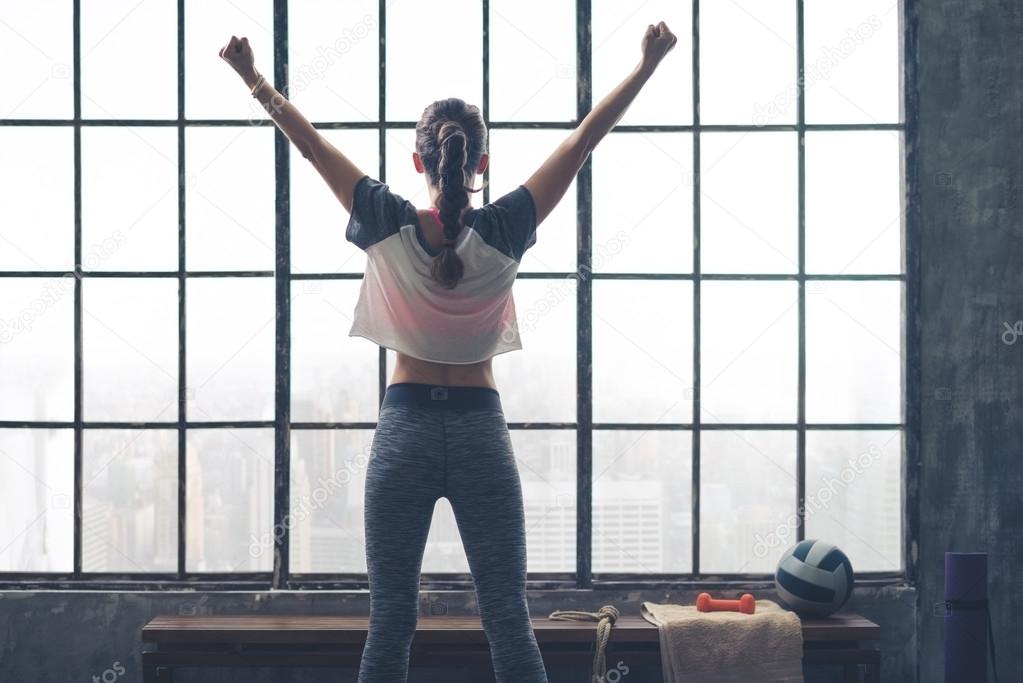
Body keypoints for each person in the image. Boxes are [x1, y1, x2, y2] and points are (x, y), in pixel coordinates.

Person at [220, 20, 677, 683]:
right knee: (507, 619)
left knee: (391, 624)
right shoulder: (506, 227)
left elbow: (311, 146)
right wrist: (645, 67)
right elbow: (583, 141)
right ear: (479, 164)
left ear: (418, 161)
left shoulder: (384, 217)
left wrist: (251, 77)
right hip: (479, 434)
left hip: (402, 429)